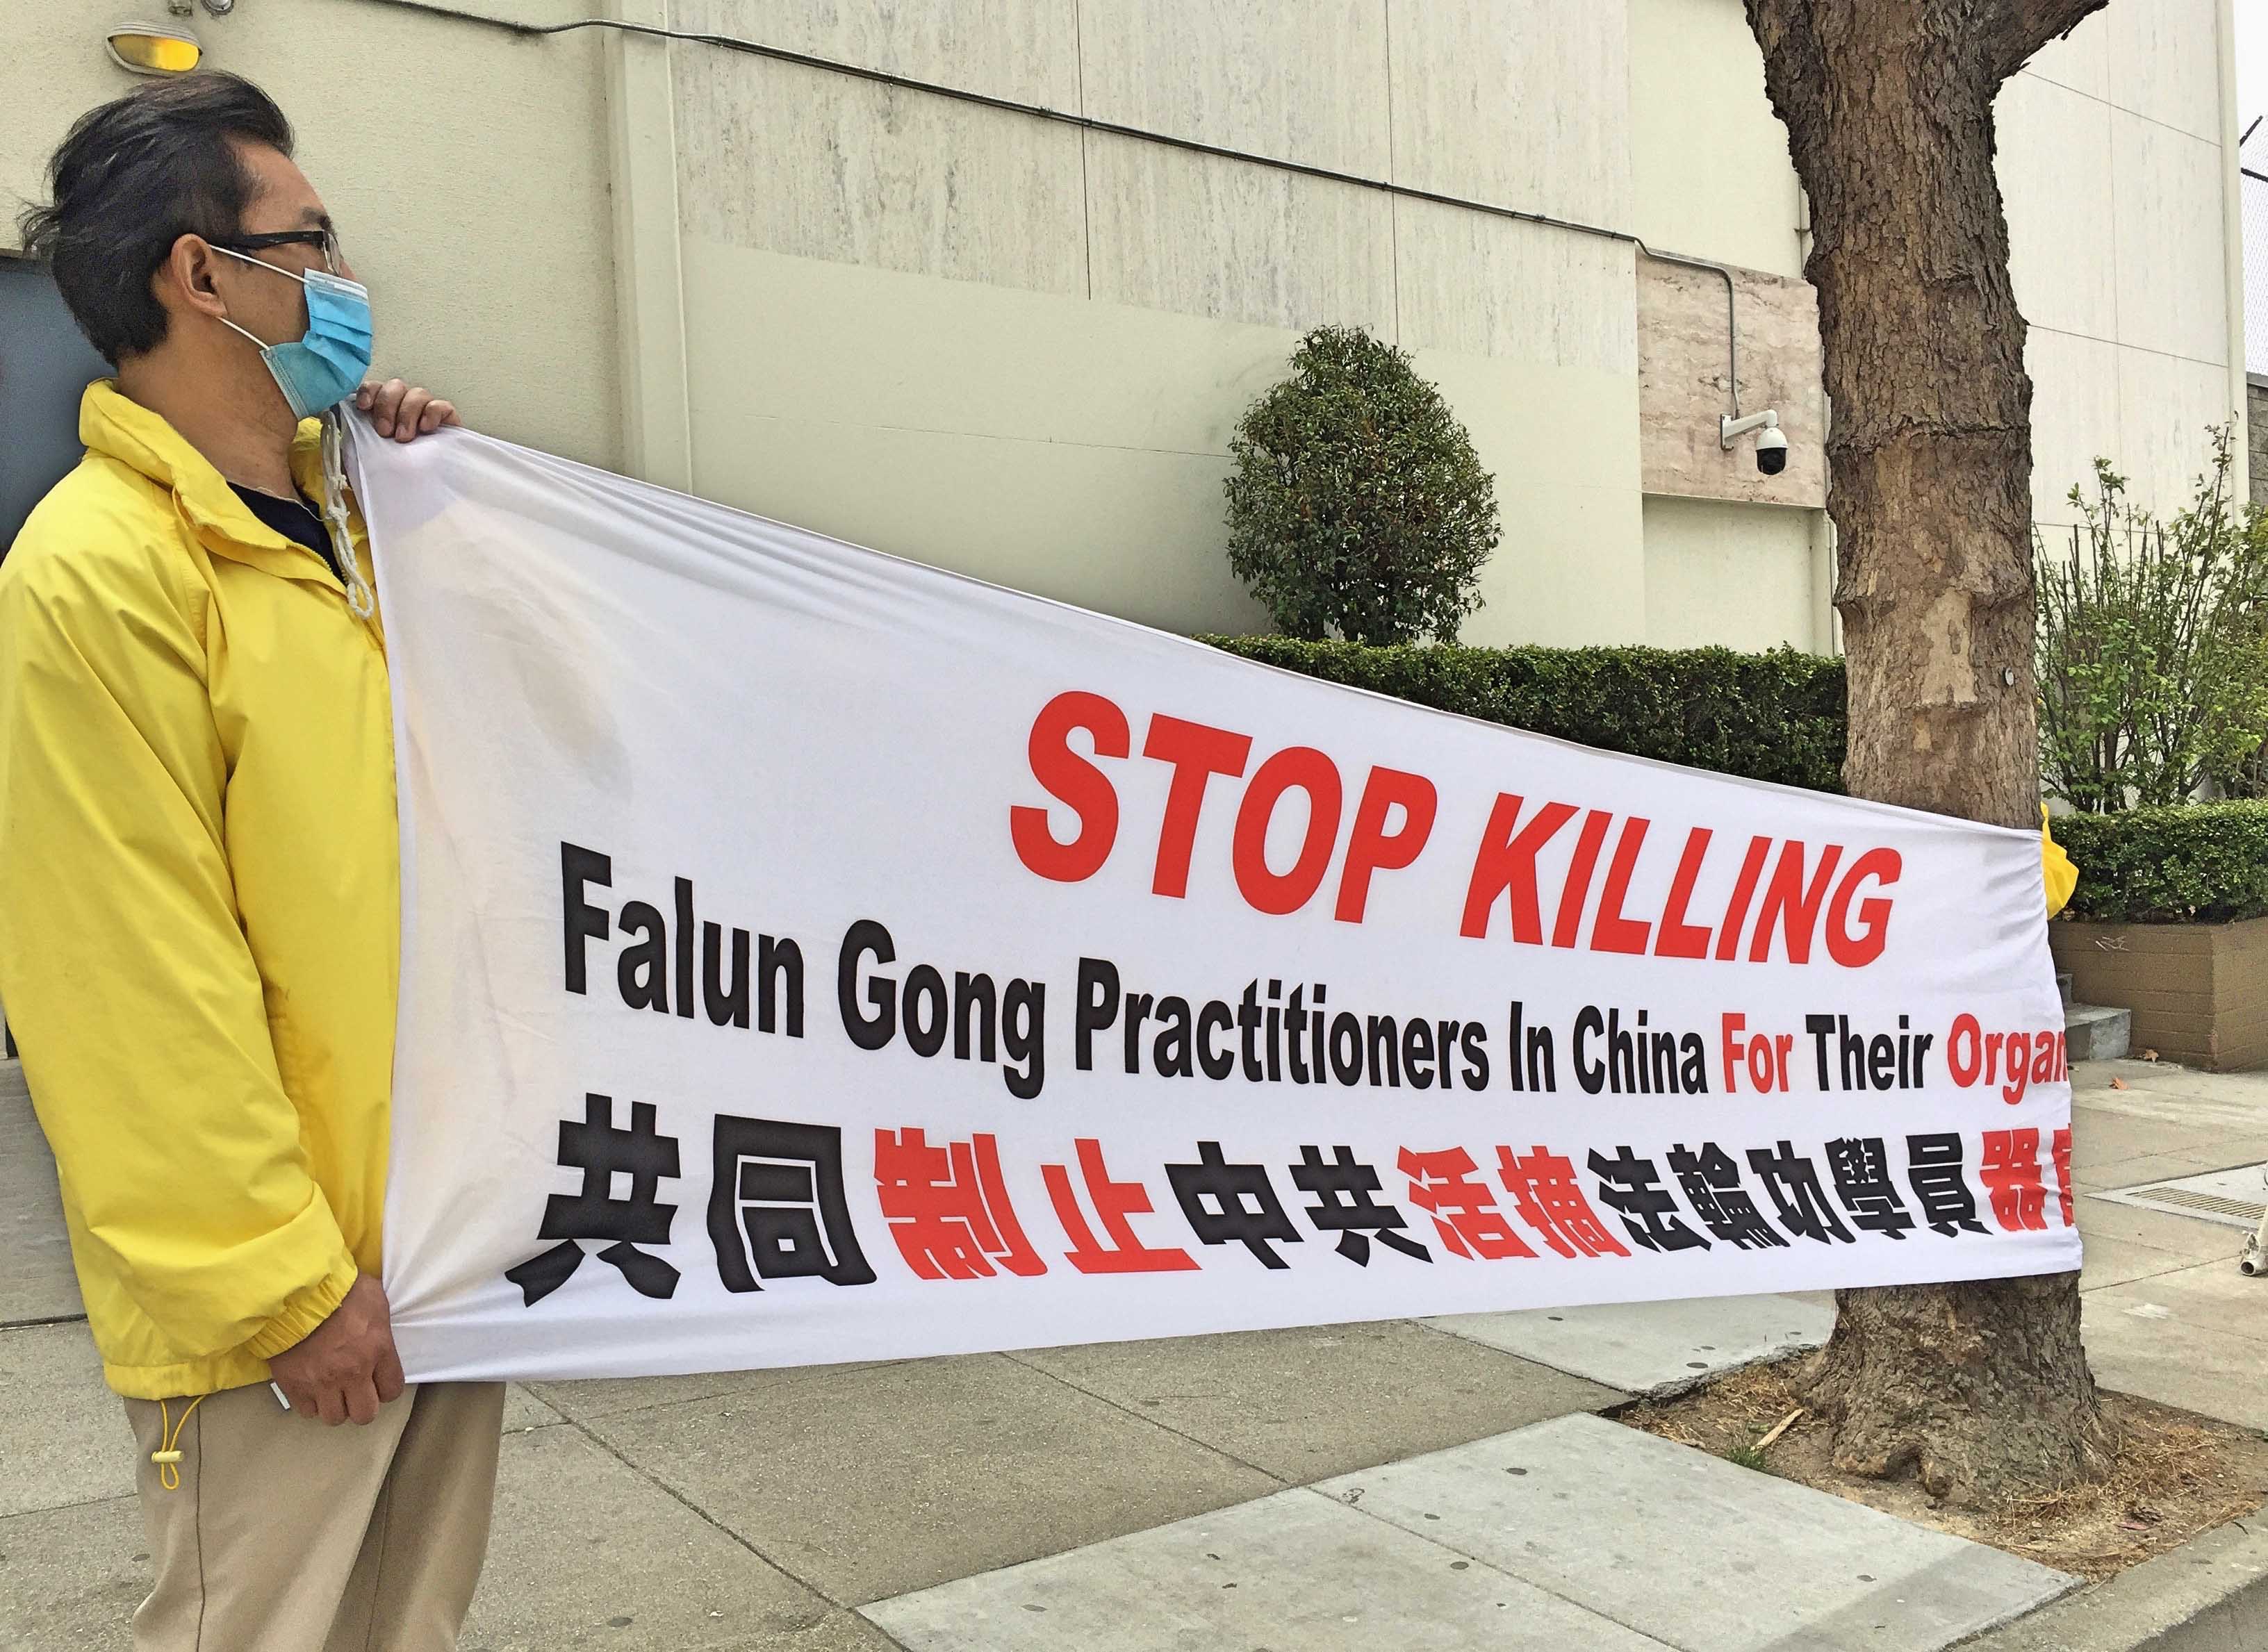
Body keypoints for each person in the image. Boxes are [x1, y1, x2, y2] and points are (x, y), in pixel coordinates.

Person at [1, 74, 496, 1650]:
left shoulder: (359, 515)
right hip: (290, 1295)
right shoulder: (97, 574)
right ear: (199, 273)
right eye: (313, 242)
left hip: (437, 1233)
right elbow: (129, 977)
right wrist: (280, 1285)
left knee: (404, 1627)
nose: (345, 280)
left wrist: (439, 495)